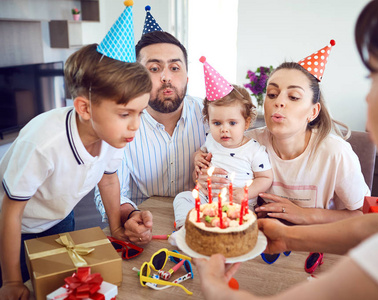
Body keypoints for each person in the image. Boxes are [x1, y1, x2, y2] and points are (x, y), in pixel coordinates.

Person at [193, 0, 378, 299]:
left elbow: (367, 219)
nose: (366, 99)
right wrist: (289, 236)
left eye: (373, 76)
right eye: (273, 94)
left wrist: (212, 284)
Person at [0, 20, 152, 300]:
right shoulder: (42, 144)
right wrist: (10, 280)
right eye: (125, 114)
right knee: (25, 288)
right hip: (15, 229)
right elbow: (11, 212)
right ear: (84, 107)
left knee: (59, 287)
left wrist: (117, 228)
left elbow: (108, 180)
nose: (135, 125)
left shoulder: (114, 135)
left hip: (60, 217)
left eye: (140, 112)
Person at [196, 44, 369, 227]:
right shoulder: (248, 143)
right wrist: (202, 173)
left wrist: (305, 215)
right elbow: (219, 179)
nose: (279, 102)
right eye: (272, 94)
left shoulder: (336, 153)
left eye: (293, 97)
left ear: (313, 111)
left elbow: (365, 215)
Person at [94, 30, 208, 244]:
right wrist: (129, 215)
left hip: (202, 228)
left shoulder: (212, 117)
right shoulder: (119, 125)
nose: (166, 77)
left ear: (187, 77)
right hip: (145, 231)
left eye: (175, 68)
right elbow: (109, 187)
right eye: (154, 69)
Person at [173, 57, 273, 228]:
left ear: (246, 122)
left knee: (242, 223)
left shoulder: (255, 150)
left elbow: (265, 178)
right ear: (208, 121)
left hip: (238, 203)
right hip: (206, 198)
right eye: (217, 123)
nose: (224, 129)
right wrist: (197, 157)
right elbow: (200, 152)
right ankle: (185, 227)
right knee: (182, 197)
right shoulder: (211, 140)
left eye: (232, 123)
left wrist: (245, 193)